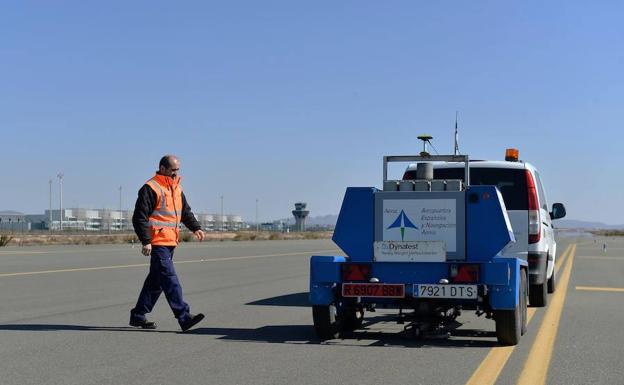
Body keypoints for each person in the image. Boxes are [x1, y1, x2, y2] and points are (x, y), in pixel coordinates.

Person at [130, 155, 206, 332]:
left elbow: (185, 212)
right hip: (157, 243)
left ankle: (138, 315)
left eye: (177, 170)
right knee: (170, 280)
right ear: (162, 168)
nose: (176, 173)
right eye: (173, 169)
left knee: (156, 282)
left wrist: (196, 228)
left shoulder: (176, 188)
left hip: (171, 241)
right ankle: (184, 316)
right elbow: (139, 217)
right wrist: (146, 241)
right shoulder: (150, 188)